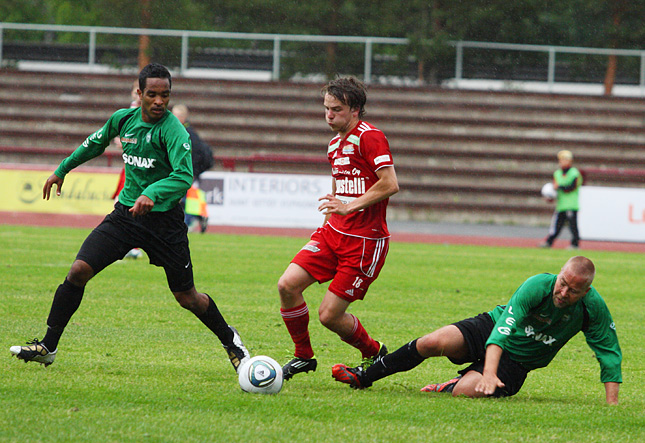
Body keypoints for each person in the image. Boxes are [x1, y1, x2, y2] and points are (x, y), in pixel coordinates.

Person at [9, 63, 249, 373]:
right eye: (152, 94)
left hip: (165, 223)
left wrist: (152, 192)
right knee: (79, 270)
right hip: (125, 217)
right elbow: (93, 143)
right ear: (140, 93)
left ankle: (231, 341)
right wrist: (62, 169)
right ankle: (48, 346)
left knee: (187, 297)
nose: (159, 101)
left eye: (165, 95)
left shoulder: (174, 130)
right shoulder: (124, 120)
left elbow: (183, 175)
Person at [332, 256, 622, 405]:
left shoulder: (592, 308)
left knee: (466, 392)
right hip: (491, 327)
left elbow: (608, 353)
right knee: (434, 341)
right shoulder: (537, 285)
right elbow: (502, 330)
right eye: (562, 282)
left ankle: (448, 385)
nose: (563, 292)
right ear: (558, 274)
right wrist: (489, 372)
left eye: (572, 290)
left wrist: (611, 405)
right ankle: (364, 377)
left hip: (518, 362)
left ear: (586, 291)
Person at [278, 76, 399, 381]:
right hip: (333, 234)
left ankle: (375, 353)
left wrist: (351, 205)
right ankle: (303, 356)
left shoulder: (370, 136)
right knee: (287, 286)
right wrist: (329, 220)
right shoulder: (334, 143)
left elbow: (390, 184)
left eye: (336, 109)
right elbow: (338, 191)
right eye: (326, 108)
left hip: (364, 242)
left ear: (355, 109)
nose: (329, 115)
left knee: (329, 315)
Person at [112, 80, 143, 258]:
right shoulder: (130, 110)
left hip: (139, 165)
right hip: (129, 165)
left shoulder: (145, 113)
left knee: (129, 204)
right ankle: (128, 245)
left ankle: (133, 246)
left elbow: (139, 141)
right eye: (134, 91)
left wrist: (124, 143)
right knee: (122, 202)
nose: (136, 94)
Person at [172, 104, 214, 233]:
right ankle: (197, 217)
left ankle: (189, 222)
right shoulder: (186, 132)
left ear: (181, 117)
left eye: (174, 115)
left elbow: (196, 156)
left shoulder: (188, 134)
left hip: (187, 173)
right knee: (186, 199)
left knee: (182, 199)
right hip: (186, 172)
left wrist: (193, 172)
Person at [541, 149, 583, 249]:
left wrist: (559, 187)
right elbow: (555, 191)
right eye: (561, 160)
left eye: (565, 159)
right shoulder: (557, 174)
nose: (562, 162)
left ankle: (575, 244)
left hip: (571, 204)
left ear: (570, 161)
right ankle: (549, 242)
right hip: (561, 205)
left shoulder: (575, 173)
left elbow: (571, 187)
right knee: (557, 226)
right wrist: (550, 197)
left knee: (573, 226)